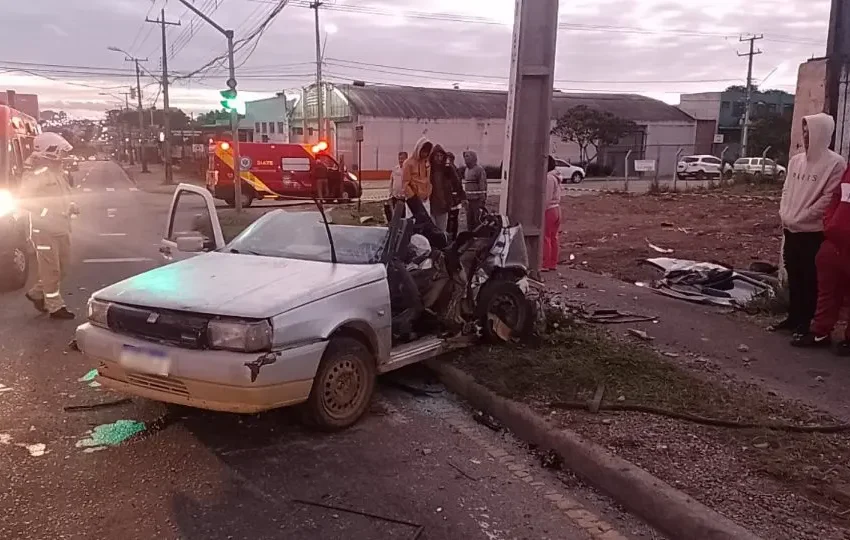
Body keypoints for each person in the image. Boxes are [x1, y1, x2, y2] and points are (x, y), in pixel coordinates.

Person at [776, 113, 846, 336]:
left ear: (822, 134)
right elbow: (786, 190)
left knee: (810, 278)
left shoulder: (835, 163)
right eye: (803, 131)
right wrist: (785, 214)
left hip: (812, 232)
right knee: (794, 274)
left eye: (810, 132)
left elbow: (828, 198)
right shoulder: (796, 160)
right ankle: (793, 317)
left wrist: (801, 217)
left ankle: (807, 322)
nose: (805, 136)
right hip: (791, 228)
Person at [792, 163, 850, 352]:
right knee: (827, 290)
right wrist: (830, 224)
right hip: (833, 242)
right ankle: (820, 332)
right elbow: (835, 198)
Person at [21, 133, 78, 320]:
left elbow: (62, 197)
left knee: (64, 267)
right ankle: (55, 307)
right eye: (60, 151)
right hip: (44, 229)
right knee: (51, 270)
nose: (63, 155)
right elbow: (25, 200)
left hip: (62, 226)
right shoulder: (36, 174)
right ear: (50, 150)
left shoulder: (58, 172)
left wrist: (70, 206)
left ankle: (38, 293)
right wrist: (47, 214)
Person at [429, 145, 464, 232]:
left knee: (441, 230)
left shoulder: (448, 169)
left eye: (441, 156)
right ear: (432, 156)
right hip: (430, 204)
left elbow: (457, 183)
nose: (439, 158)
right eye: (437, 156)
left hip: (443, 204)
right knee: (431, 231)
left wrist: (461, 197)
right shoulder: (429, 169)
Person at [403, 137, 433, 214]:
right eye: (423, 151)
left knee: (426, 224)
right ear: (418, 149)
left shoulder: (427, 163)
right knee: (413, 223)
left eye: (427, 152)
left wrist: (428, 193)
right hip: (413, 200)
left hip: (425, 200)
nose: (425, 154)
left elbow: (428, 180)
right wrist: (413, 198)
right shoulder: (408, 163)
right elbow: (405, 184)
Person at [542, 155, 562, 272]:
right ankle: (553, 263)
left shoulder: (549, 178)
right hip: (557, 209)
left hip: (549, 209)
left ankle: (545, 263)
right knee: (554, 237)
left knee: (546, 237)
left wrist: (541, 210)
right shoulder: (556, 177)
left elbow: (547, 197)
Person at [462, 150, 488, 231]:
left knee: (478, 222)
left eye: (467, 156)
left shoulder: (479, 170)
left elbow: (482, 185)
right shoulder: (466, 170)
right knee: (469, 222)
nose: (465, 158)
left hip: (476, 201)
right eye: (465, 156)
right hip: (468, 201)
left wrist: (482, 200)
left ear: (473, 158)